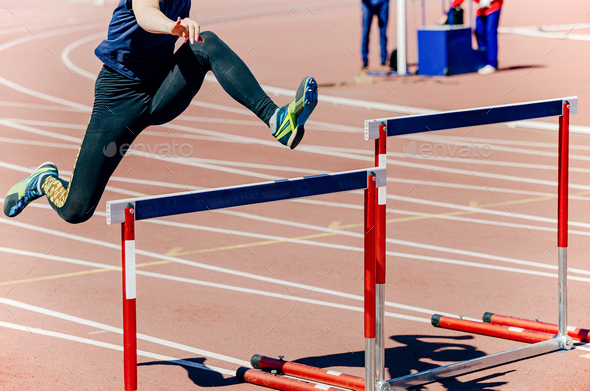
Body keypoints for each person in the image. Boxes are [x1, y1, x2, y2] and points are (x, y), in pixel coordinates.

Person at [4, 0, 318, 223]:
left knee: (206, 43)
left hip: (160, 89)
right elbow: (145, 13)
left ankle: (277, 119)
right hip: (119, 97)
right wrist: (174, 27)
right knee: (76, 210)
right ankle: (43, 180)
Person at [450, 0, 503, 74]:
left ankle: (492, 63)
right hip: (480, 8)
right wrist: (454, 5)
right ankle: (483, 60)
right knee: (479, 31)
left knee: (490, 32)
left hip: (493, 5)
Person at [361, 0, 390, 69]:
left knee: (383, 32)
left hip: (383, 2)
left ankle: (384, 60)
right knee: (366, 33)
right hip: (367, 3)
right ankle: (365, 61)